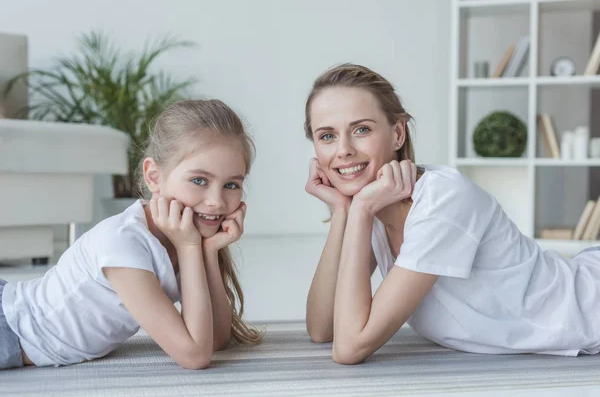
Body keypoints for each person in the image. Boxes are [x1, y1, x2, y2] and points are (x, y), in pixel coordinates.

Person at [303, 63, 600, 365]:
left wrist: (361, 209)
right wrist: (343, 211)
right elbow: (322, 328)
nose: (343, 150)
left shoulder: (441, 200)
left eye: (361, 129)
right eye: (327, 136)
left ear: (397, 134)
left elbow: (350, 348)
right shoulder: (374, 204)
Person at [0, 99, 262, 370]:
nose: (217, 202)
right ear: (154, 176)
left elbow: (215, 340)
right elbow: (195, 355)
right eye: (199, 181)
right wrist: (189, 247)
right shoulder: (124, 243)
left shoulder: (186, 238)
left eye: (231, 184)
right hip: (8, 328)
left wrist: (206, 252)